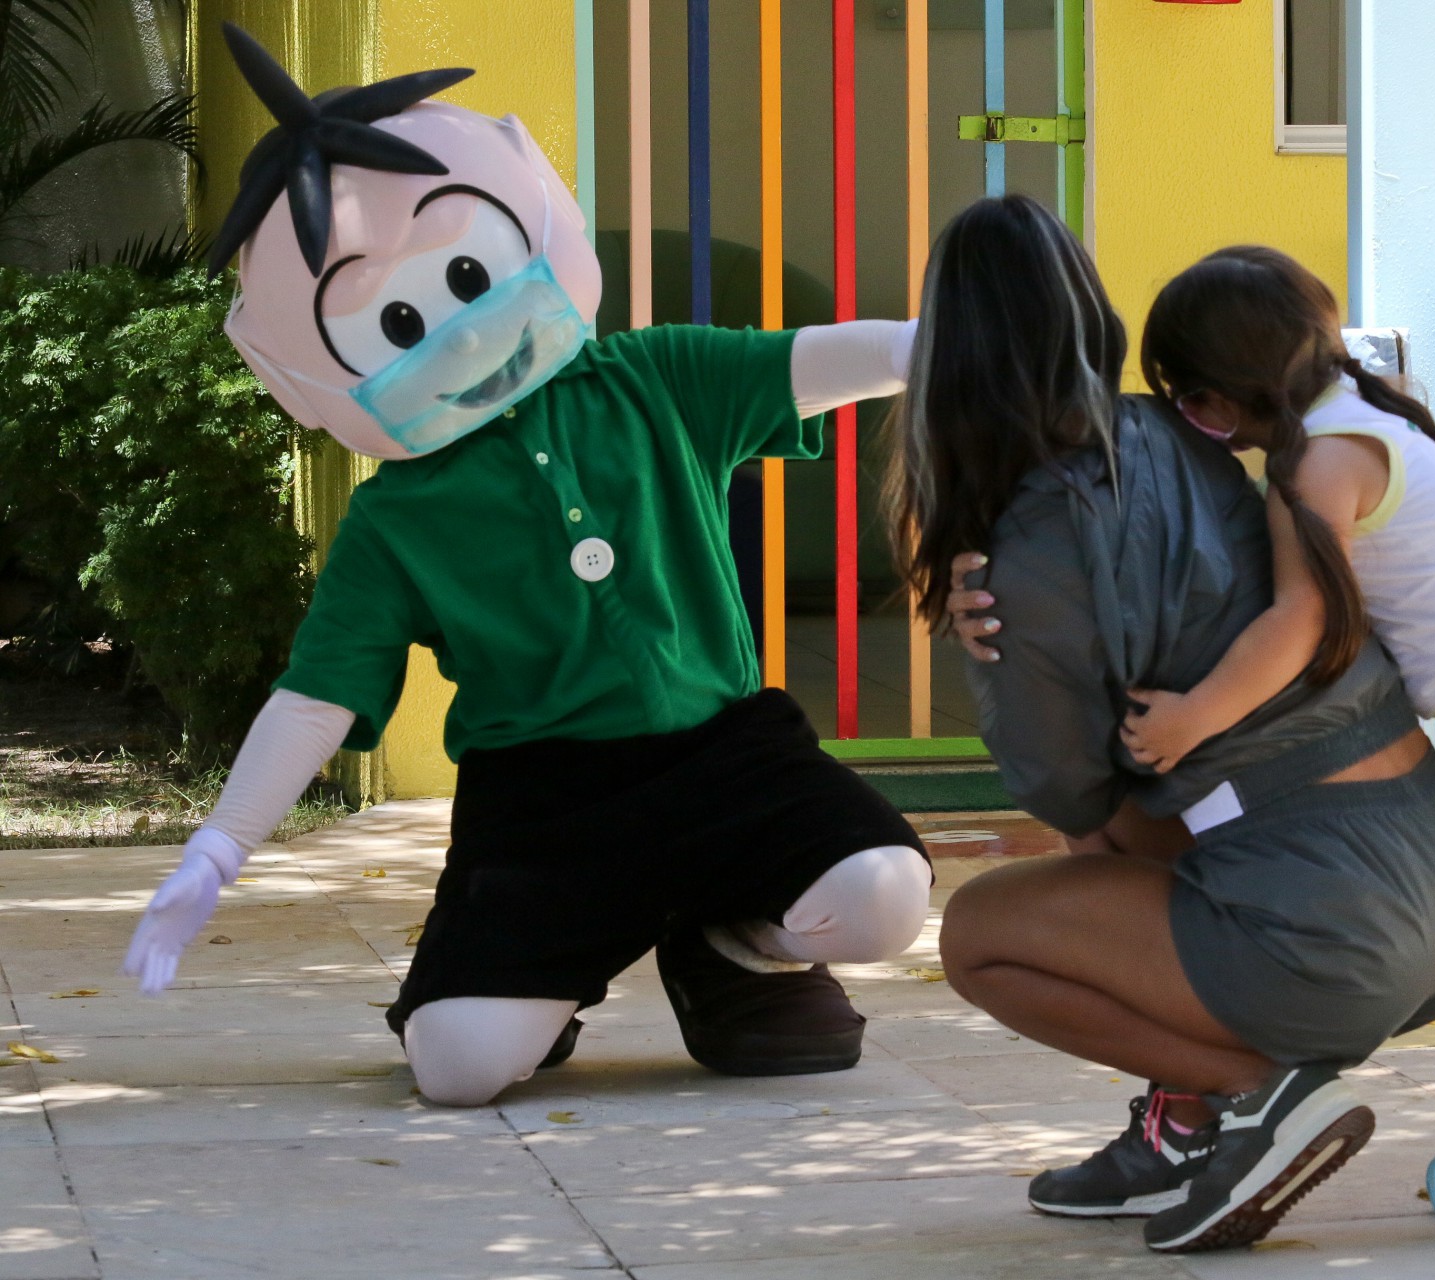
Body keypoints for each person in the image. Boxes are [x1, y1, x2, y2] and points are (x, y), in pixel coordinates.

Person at [120, 24, 932, 1106]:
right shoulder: (395, 520)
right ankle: (541, 974)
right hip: (543, 805)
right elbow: (318, 695)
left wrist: (938, 340)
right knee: (455, 1068)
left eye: (466, 272)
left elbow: (818, 361)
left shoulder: (652, 378)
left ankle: (730, 938)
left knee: (885, 892)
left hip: (726, 755)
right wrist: (218, 847)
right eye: (400, 319)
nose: (455, 332)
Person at [893, 195, 1435, 1254]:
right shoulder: (1177, 432)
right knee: (1141, 813)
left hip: (1334, 932)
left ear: (950, 360)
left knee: (987, 930)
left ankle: (1252, 1091)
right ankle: (1180, 1128)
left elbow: (1057, 781)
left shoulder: (1033, 533)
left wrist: (984, 636)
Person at [1063, 245, 1435, 1239]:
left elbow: (1298, 619)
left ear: (1222, 400)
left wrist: (1193, 713)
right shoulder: (1353, 417)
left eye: (1195, 412)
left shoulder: (1318, 462)